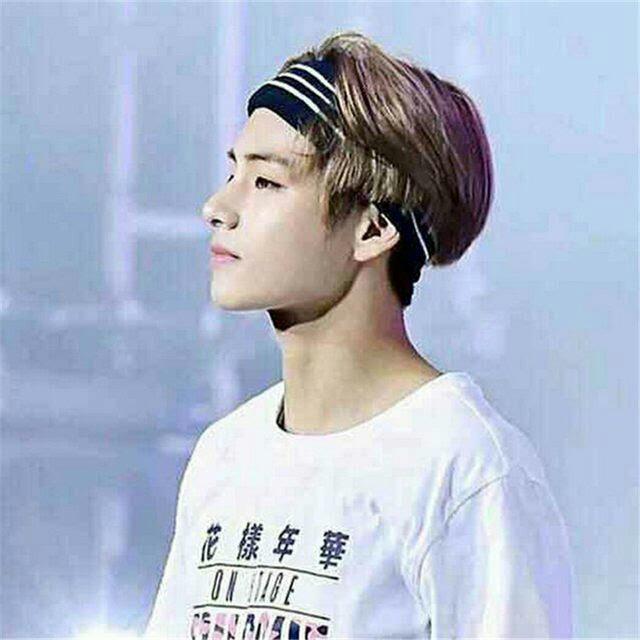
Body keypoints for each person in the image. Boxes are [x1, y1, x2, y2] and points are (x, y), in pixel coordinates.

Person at [144, 30, 573, 639]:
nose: (217, 206)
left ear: (373, 228)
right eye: (233, 171)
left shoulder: (465, 467)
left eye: (266, 182)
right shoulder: (225, 453)